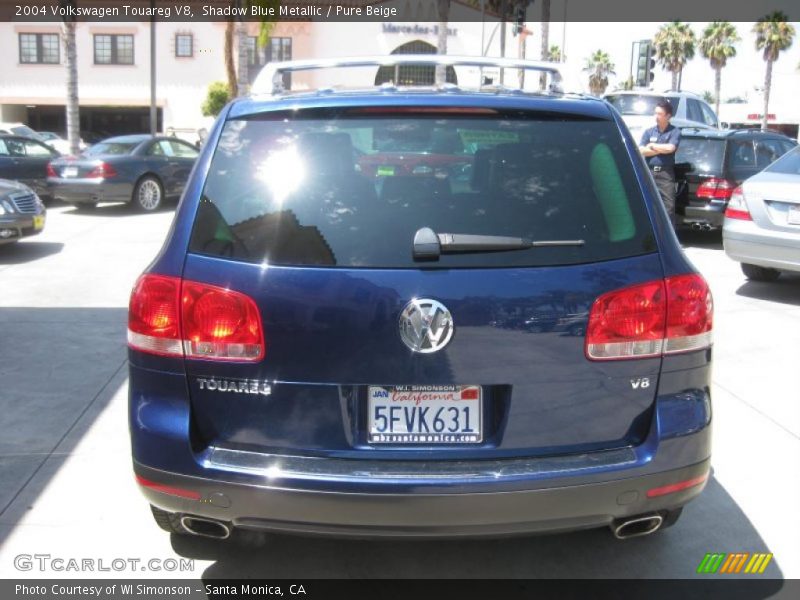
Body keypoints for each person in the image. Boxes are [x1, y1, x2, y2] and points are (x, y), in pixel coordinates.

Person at [639, 100, 681, 226]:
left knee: (668, 207)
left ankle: (668, 238)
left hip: (665, 174)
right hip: (649, 171)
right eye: (655, 113)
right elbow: (641, 150)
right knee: (647, 204)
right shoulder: (649, 132)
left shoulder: (674, 132)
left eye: (659, 114)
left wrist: (652, 146)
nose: (656, 117)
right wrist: (660, 149)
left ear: (668, 116)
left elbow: (671, 148)